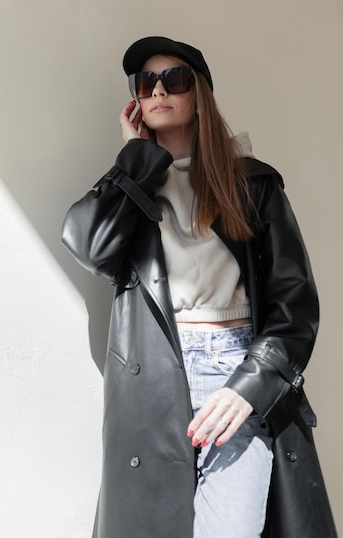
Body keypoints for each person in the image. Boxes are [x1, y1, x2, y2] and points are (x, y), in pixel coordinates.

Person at [62, 36, 336, 538]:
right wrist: (135, 158)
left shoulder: (253, 185)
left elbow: (295, 305)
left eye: (175, 79)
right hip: (153, 385)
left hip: (233, 375)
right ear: (137, 99)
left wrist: (252, 387)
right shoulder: (133, 185)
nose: (160, 89)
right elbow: (90, 247)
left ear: (200, 95)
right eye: (147, 82)